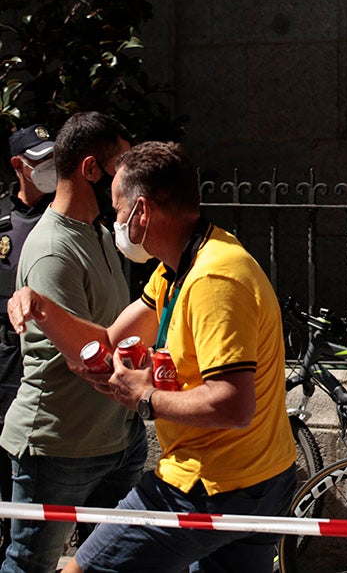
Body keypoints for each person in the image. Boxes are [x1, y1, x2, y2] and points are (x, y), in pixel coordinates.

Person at [7, 141, 296, 572]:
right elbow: (106, 343)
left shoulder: (214, 277)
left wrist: (146, 399)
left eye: (117, 209)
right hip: (252, 478)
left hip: (210, 484)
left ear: (141, 211)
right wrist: (42, 309)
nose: (114, 221)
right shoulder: (177, 267)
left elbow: (234, 405)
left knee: (77, 568)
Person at [0, 112, 143, 573]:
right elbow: (89, 360)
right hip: (59, 448)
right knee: (30, 563)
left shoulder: (100, 234)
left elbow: (119, 329)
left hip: (116, 438)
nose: (129, 175)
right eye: (121, 163)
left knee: (108, 562)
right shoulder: (51, 249)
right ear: (90, 170)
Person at [0, 124, 57, 549]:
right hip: (4, 355)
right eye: (41, 160)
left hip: (48, 353)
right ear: (19, 165)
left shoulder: (66, 215)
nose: (51, 167)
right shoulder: (2, 218)